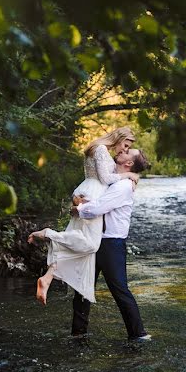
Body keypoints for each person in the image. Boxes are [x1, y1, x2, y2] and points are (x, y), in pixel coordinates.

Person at [28, 126, 140, 305]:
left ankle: (48, 277)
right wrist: (129, 174)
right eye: (125, 145)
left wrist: (76, 196)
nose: (125, 150)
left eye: (127, 148)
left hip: (87, 190)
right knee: (90, 244)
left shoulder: (97, 148)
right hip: (93, 196)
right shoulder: (102, 149)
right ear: (118, 138)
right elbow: (105, 179)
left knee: (78, 241)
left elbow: (94, 176)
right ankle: (47, 234)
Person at [69, 149, 151, 341]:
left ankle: (139, 334)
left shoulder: (123, 186)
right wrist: (83, 203)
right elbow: (97, 201)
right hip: (96, 238)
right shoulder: (114, 181)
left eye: (126, 152)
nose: (122, 151)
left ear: (129, 163)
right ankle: (78, 333)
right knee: (82, 287)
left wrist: (78, 209)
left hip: (111, 243)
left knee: (119, 289)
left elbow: (98, 208)